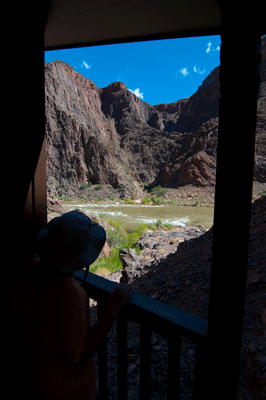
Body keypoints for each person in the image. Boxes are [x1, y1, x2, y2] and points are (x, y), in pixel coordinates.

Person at [10, 210, 133, 400]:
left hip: (37, 379)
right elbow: (80, 354)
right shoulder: (71, 294)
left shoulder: (32, 266)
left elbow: (15, 306)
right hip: (68, 392)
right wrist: (114, 307)